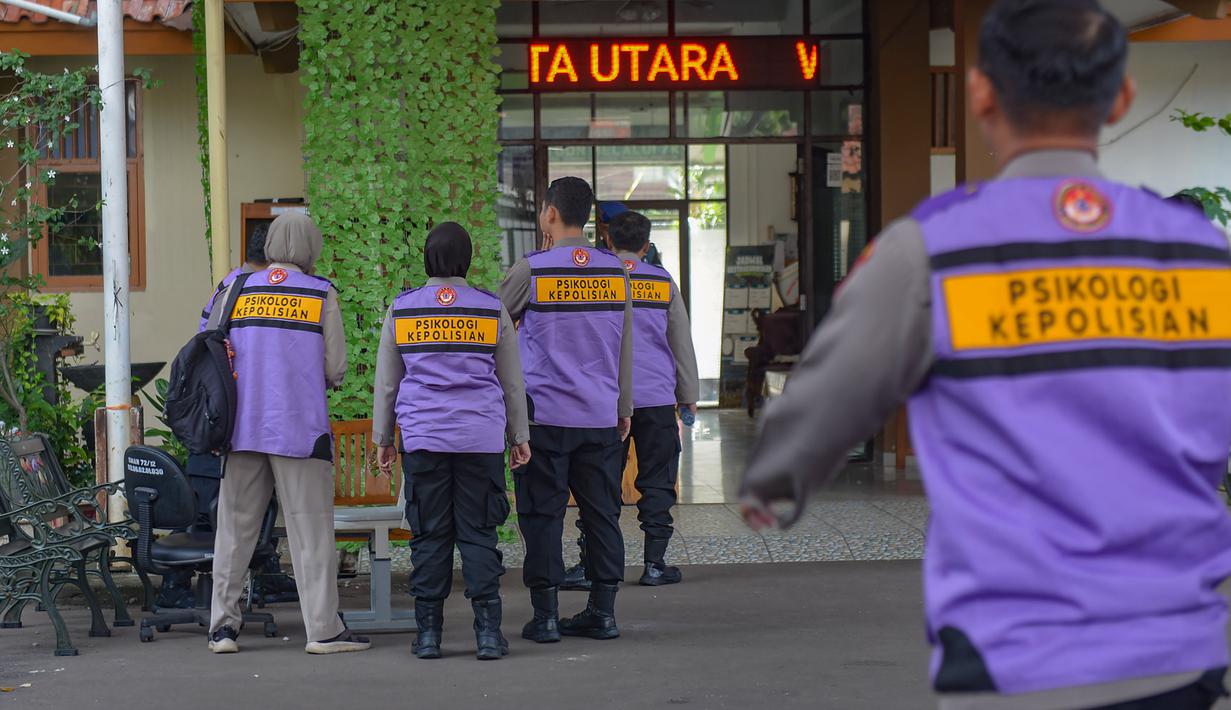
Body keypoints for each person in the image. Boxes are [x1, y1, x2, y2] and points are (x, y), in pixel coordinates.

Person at [740, 1, 1231, 707]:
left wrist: (775, 486)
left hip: (1011, 656)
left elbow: (824, 401)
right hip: (1178, 651)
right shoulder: (1197, 254)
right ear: (1121, 96)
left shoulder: (935, 248)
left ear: (978, 95)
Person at [204, 212, 369, 655]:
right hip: (299, 430)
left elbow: (208, 348)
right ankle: (322, 631)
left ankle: (222, 628)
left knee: (234, 529)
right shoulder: (320, 293)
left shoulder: (233, 288)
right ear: (311, 247)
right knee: (310, 531)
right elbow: (335, 369)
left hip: (240, 429)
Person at [371, 222, 532, 661]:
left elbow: (387, 383)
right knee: (479, 533)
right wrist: (519, 436)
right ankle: (488, 634)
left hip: (423, 440)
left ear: (427, 257)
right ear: (467, 259)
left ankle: (428, 635)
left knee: (430, 535)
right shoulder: (489, 308)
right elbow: (511, 381)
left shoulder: (402, 310)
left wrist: (383, 439)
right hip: (480, 439)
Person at [500, 176, 634, 642]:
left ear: (550, 214)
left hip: (545, 418)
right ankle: (603, 612)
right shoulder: (615, 271)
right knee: (602, 513)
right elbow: (625, 345)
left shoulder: (532, 270)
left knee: (542, 514)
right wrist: (624, 406)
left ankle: (547, 616)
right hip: (599, 416)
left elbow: (492, 328)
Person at [160, 222, 299, 610]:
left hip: (221, 413)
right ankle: (179, 587)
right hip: (233, 416)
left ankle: (263, 573)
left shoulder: (229, 285)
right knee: (218, 509)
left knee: (235, 506)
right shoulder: (251, 288)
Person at [562, 211, 699, 590]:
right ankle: (655, 564)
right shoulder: (662, 282)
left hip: (606, 400)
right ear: (646, 245)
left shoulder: (597, 279)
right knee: (657, 480)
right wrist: (688, 396)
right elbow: (681, 343)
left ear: (607, 241)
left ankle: (591, 565)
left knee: (599, 485)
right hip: (656, 398)